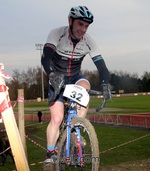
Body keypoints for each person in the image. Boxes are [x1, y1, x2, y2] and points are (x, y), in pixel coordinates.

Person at [41, 6, 111, 164]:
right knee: (57, 118)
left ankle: (76, 127)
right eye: (80, 24)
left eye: (86, 26)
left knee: (85, 86)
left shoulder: (88, 41)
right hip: (57, 77)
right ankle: (50, 152)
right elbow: (45, 58)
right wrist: (51, 75)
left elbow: (102, 66)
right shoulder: (57, 34)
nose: (83, 29)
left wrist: (106, 83)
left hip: (75, 77)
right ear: (70, 21)